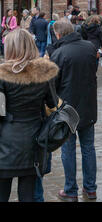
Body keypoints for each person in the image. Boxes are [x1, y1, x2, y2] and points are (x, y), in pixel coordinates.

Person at [0, 28, 59, 202]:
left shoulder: (2, 75)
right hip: (34, 142)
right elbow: (53, 105)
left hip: (5, 144)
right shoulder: (44, 74)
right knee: (28, 196)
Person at [49, 20, 98, 202]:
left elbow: (53, 85)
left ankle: (71, 190)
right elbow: (93, 72)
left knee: (68, 151)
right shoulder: (90, 48)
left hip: (67, 110)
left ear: (59, 34)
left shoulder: (59, 54)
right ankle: (90, 188)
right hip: (88, 106)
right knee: (88, 148)